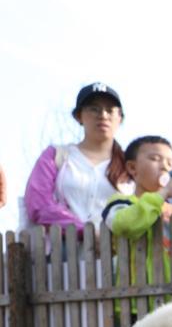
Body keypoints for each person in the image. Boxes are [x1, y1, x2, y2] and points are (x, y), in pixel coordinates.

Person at [24, 82, 133, 233]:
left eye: (110, 110)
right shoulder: (56, 156)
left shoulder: (132, 165)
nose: (103, 115)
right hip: (61, 252)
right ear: (78, 116)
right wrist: (84, 231)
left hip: (119, 253)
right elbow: (38, 204)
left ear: (120, 118)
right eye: (94, 109)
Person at [102, 136, 172, 317]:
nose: (165, 166)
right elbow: (125, 225)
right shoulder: (121, 203)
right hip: (132, 305)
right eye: (155, 159)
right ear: (132, 168)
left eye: (170, 162)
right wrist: (161, 194)